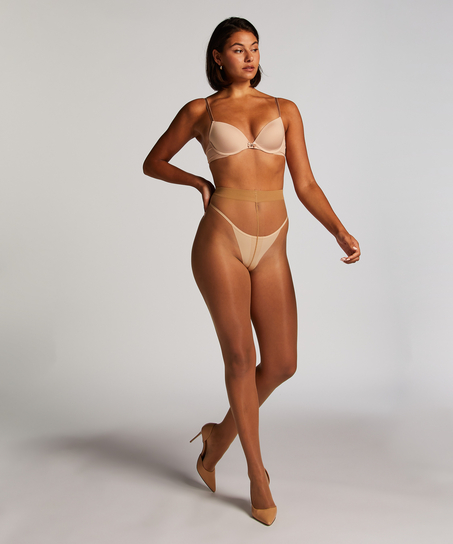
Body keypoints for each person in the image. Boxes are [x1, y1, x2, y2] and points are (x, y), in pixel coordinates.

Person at [143, 17, 360, 526]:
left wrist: (338, 229)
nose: (249, 57)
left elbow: (305, 184)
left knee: (281, 362)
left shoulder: (284, 109)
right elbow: (154, 161)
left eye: (255, 48)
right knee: (241, 358)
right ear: (218, 57)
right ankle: (257, 475)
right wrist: (198, 182)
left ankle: (218, 438)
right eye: (238, 49)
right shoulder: (200, 110)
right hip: (221, 239)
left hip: (273, 245)